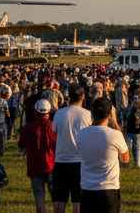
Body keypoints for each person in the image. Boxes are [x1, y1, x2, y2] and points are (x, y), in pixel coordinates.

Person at [76, 98, 129, 213]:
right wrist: (115, 122)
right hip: (109, 189)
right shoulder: (115, 135)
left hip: (87, 189)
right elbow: (125, 159)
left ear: (92, 113)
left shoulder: (81, 134)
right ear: (109, 114)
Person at [51, 85, 91, 213]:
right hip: (80, 161)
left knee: (59, 200)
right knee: (78, 201)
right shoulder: (88, 115)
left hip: (61, 160)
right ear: (83, 96)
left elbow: (54, 130)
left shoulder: (60, 113)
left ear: (69, 97)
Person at [19, 99, 57, 213]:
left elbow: (22, 145)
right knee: (56, 198)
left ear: (35, 111)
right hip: (52, 167)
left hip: (34, 167)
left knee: (39, 197)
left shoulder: (28, 128)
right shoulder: (54, 127)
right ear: (49, 112)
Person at [119, 87, 140, 170]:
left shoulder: (130, 104)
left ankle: (125, 163)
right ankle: (138, 165)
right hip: (139, 129)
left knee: (126, 147)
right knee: (138, 148)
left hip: (130, 129)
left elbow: (126, 115)